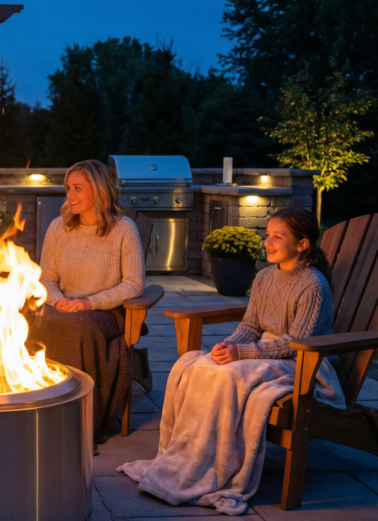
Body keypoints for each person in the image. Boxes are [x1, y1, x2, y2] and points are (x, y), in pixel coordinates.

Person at [118, 207, 346, 515]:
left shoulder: (313, 285)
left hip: (305, 364)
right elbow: (251, 325)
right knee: (195, 365)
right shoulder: (265, 277)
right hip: (267, 354)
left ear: (302, 244)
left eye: (278, 237)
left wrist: (243, 354)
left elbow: (296, 343)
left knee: (228, 376)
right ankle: (189, 460)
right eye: (267, 235)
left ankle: (217, 467)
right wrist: (230, 345)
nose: (268, 242)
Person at [29, 159, 145, 446]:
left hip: (105, 312)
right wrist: (56, 302)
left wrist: (89, 302)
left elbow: (133, 284)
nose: (70, 195)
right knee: (27, 320)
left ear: (99, 191)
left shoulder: (124, 229)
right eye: (69, 188)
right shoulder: (59, 227)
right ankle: (33, 406)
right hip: (63, 306)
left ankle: (76, 420)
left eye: (77, 188)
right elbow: (45, 277)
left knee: (76, 328)